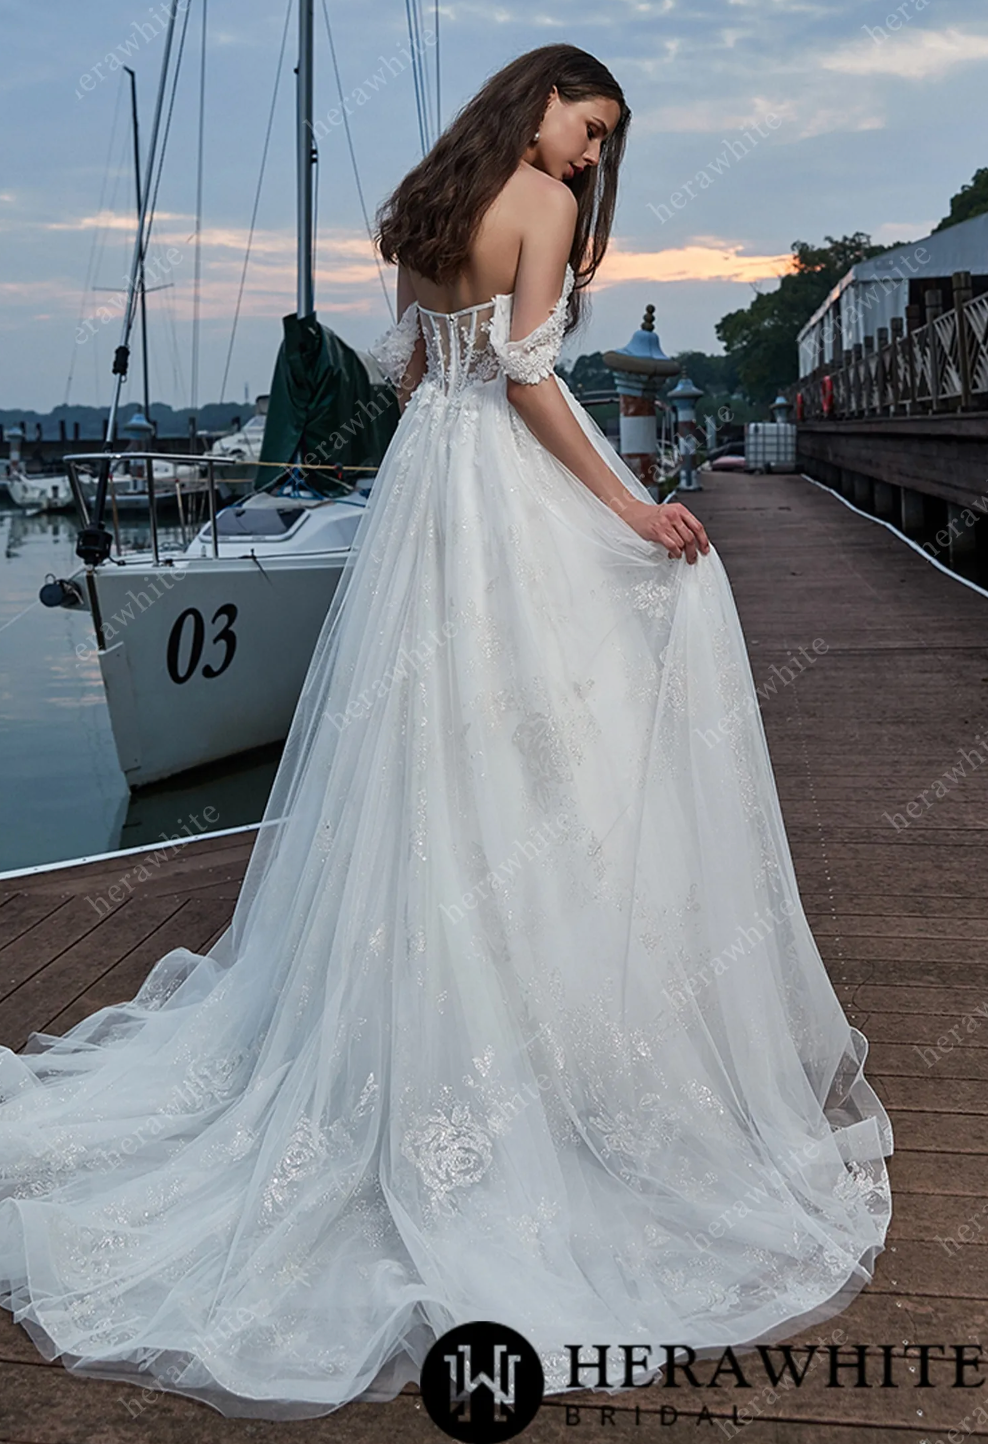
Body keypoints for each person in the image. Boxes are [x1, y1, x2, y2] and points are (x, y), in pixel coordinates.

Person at [0, 42, 892, 1421]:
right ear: (545, 103)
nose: (591, 160)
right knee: (543, 739)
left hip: (427, 490)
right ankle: (530, 1030)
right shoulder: (536, 206)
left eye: (597, 146)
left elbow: (424, 378)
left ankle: (427, 1015)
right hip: (499, 483)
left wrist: (468, 435)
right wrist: (631, 505)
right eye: (591, 130)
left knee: (427, 755)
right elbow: (531, 386)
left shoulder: (427, 202)